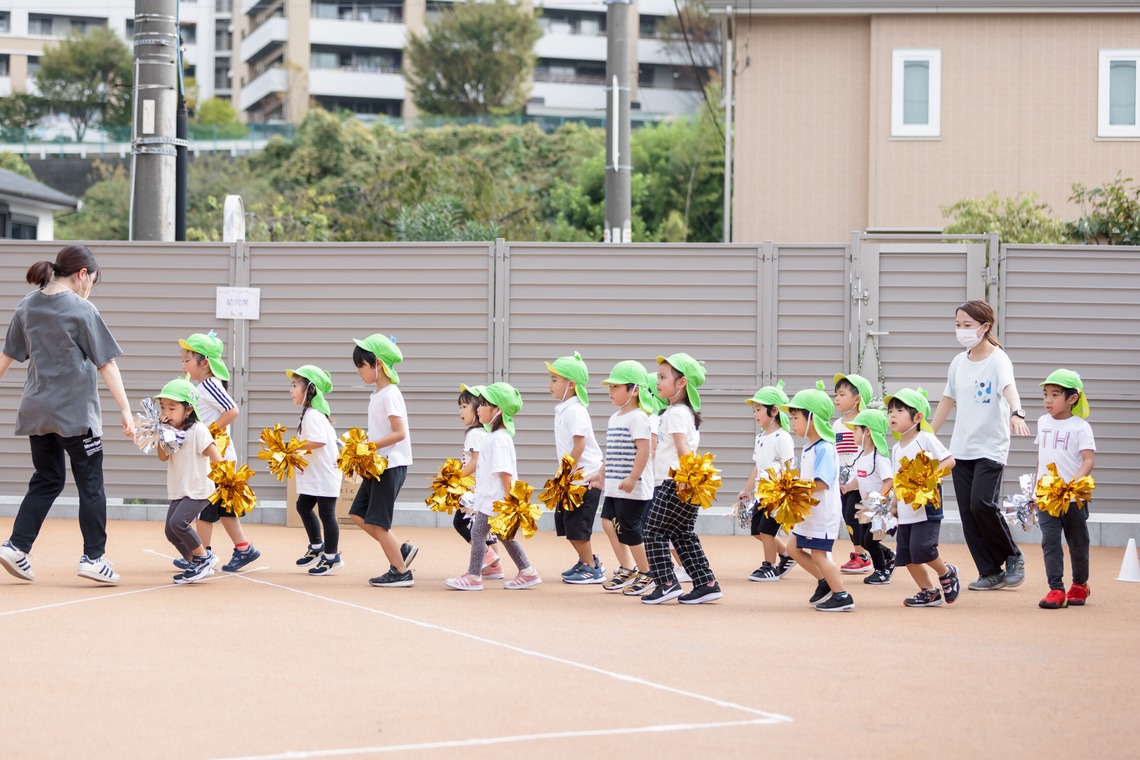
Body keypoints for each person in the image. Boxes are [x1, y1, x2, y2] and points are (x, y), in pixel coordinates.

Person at [0, 245, 132, 585]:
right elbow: (107, 363)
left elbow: (6, 358)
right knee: (91, 485)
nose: (90, 289)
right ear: (82, 274)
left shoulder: (27, 305)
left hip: (37, 412)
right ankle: (94, 557)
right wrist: (125, 408)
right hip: (76, 416)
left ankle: (16, 547)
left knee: (47, 480)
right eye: (92, 281)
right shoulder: (82, 309)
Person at [929, 300, 1031, 591]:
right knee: (967, 513)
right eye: (958, 325)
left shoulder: (999, 359)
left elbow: (1009, 387)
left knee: (982, 503)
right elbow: (947, 401)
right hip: (961, 448)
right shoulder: (958, 363)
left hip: (991, 446)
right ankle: (989, 571)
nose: (961, 331)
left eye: (967, 325)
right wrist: (926, 435)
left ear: (985, 327)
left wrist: (1017, 411)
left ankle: (1013, 555)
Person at [641, 353, 722, 605]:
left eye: (664, 377)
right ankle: (706, 583)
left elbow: (682, 448)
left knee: (652, 530)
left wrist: (686, 476)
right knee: (682, 533)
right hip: (684, 483)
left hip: (674, 482)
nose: (658, 380)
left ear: (682, 383)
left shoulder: (676, 412)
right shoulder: (679, 411)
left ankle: (666, 583)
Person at [444, 383, 542, 590]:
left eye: (483, 405)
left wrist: (509, 501)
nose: (478, 409)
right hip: (492, 498)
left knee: (479, 534)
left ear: (497, 411)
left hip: (495, 500)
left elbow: (504, 471)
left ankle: (473, 576)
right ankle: (527, 571)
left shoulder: (498, 439)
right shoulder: (493, 437)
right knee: (505, 537)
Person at [179, 332, 260, 573]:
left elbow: (232, 410)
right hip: (217, 456)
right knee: (222, 509)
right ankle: (239, 549)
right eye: (183, 359)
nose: (183, 364)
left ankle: (203, 555)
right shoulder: (202, 386)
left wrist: (210, 432)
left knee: (207, 506)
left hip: (219, 458)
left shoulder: (210, 385)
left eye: (187, 360)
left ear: (204, 363)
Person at [350, 334, 419, 587]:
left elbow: (399, 432)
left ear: (377, 364)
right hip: (378, 465)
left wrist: (367, 445)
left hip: (390, 464)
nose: (359, 372)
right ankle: (400, 549)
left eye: (362, 366)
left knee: (379, 522)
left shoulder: (390, 393)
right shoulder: (379, 394)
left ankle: (400, 571)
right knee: (358, 514)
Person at [885, 388, 960, 607]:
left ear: (918, 417)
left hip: (926, 506)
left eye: (900, 410)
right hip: (906, 511)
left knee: (924, 550)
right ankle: (929, 591)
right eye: (890, 411)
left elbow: (949, 461)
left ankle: (947, 573)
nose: (893, 415)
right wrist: (894, 503)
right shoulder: (896, 448)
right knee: (906, 556)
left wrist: (930, 477)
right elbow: (897, 479)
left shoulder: (926, 439)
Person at [784, 383, 854, 612]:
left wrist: (796, 489)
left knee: (820, 555)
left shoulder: (825, 447)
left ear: (812, 418)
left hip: (821, 514)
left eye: (796, 418)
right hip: (809, 513)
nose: (792, 423)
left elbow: (822, 483)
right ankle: (825, 581)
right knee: (793, 548)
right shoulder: (809, 447)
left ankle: (841, 595)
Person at [587, 360, 654, 593]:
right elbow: (613, 453)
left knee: (630, 529)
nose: (611, 391)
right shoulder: (614, 418)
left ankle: (647, 573)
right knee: (607, 523)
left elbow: (644, 450)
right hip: (615, 486)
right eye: (610, 387)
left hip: (633, 488)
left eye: (616, 387)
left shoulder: (639, 417)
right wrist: (600, 473)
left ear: (634, 390)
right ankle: (628, 568)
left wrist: (633, 478)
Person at [149, 377, 223, 584]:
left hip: (199, 488)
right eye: (163, 408)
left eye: (172, 408)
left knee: (178, 522)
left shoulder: (197, 430)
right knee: (170, 531)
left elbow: (215, 454)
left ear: (188, 410)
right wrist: (161, 436)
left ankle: (202, 558)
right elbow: (163, 457)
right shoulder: (171, 432)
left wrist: (225, 479)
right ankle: (195, 563)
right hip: (181, 489)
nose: (166, 413)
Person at [1034, 370, 1095, 609]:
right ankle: (1056, 589)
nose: (1048, 400)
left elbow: (1088, 460)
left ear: (1072, 398)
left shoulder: (1081, 427)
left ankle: (1080, 584)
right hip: (1047, 496)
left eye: (1055, 394)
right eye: (1045, 394)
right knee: (1049, 541)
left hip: (1073, 497)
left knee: (1078, 541)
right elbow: (1041, 458)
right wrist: (1036, 488)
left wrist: (1073, 484)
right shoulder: (1042, 422)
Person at [545, 352, 606, 585]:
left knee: (577, 526)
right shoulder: (564, 409)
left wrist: (565, 473)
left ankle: (592, 568)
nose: (549, 385)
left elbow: (579, 445)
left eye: (554, 380)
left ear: (570, 384)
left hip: (584, 479)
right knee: (566, 523)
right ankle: (588, 560)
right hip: (571, 479)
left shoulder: (575, 410)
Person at [287, 365, 344, 576]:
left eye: (295, 385)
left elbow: (318, 441)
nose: (291, 390)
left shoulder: (313, 415)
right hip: (317, 475)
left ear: (309, 389)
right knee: (303, 505)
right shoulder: (310, 413)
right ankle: (317, 547)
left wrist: (295, 447)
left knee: (327, 514)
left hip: (325, 475)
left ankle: (332, 557)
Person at [737, 381, 796, 582]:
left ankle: (769, 566)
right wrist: (746, 490)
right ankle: (787, 556)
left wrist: (789, 493)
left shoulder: (783, 437)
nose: (755, 414)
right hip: (762, 493)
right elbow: (757, 466)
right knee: (756, 530)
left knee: (766, 530)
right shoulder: (761, 437)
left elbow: (790, 466)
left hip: (778, 493)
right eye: (754, 410)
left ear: (774, 411)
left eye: (759, 409)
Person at [841, 407, 896, 585]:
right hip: (867, 506)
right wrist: (847, 488)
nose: (852, 433)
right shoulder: (861, 456)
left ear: (867, 432)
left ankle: (882, 570)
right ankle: (889, 556)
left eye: (856, 429)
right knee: (864, 540)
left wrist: (878, 500)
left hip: (879, 507)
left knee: (870, 540)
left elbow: (889, 481)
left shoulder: (879, 458)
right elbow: (858, 479)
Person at [453, 384, 502, 580]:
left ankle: (487, 556)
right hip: (482, 488)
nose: (460, 412)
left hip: (473, 491)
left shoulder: (474, 434)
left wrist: (457, 478)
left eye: (465, 407)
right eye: (460, 407)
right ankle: (494, 566)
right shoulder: (485, 434)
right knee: (484, 527)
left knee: (462, 523)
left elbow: (475, 461)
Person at [834, 373, 874, 574]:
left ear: (857, 399)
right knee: (847, 515)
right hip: (843, 480)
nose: (837, 399)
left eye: (842, 394)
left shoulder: (865, 423)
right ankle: (863, 553)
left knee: (854, 515)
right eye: (836, 395)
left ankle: (863, 555)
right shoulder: (836, 424)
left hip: (860, 479)